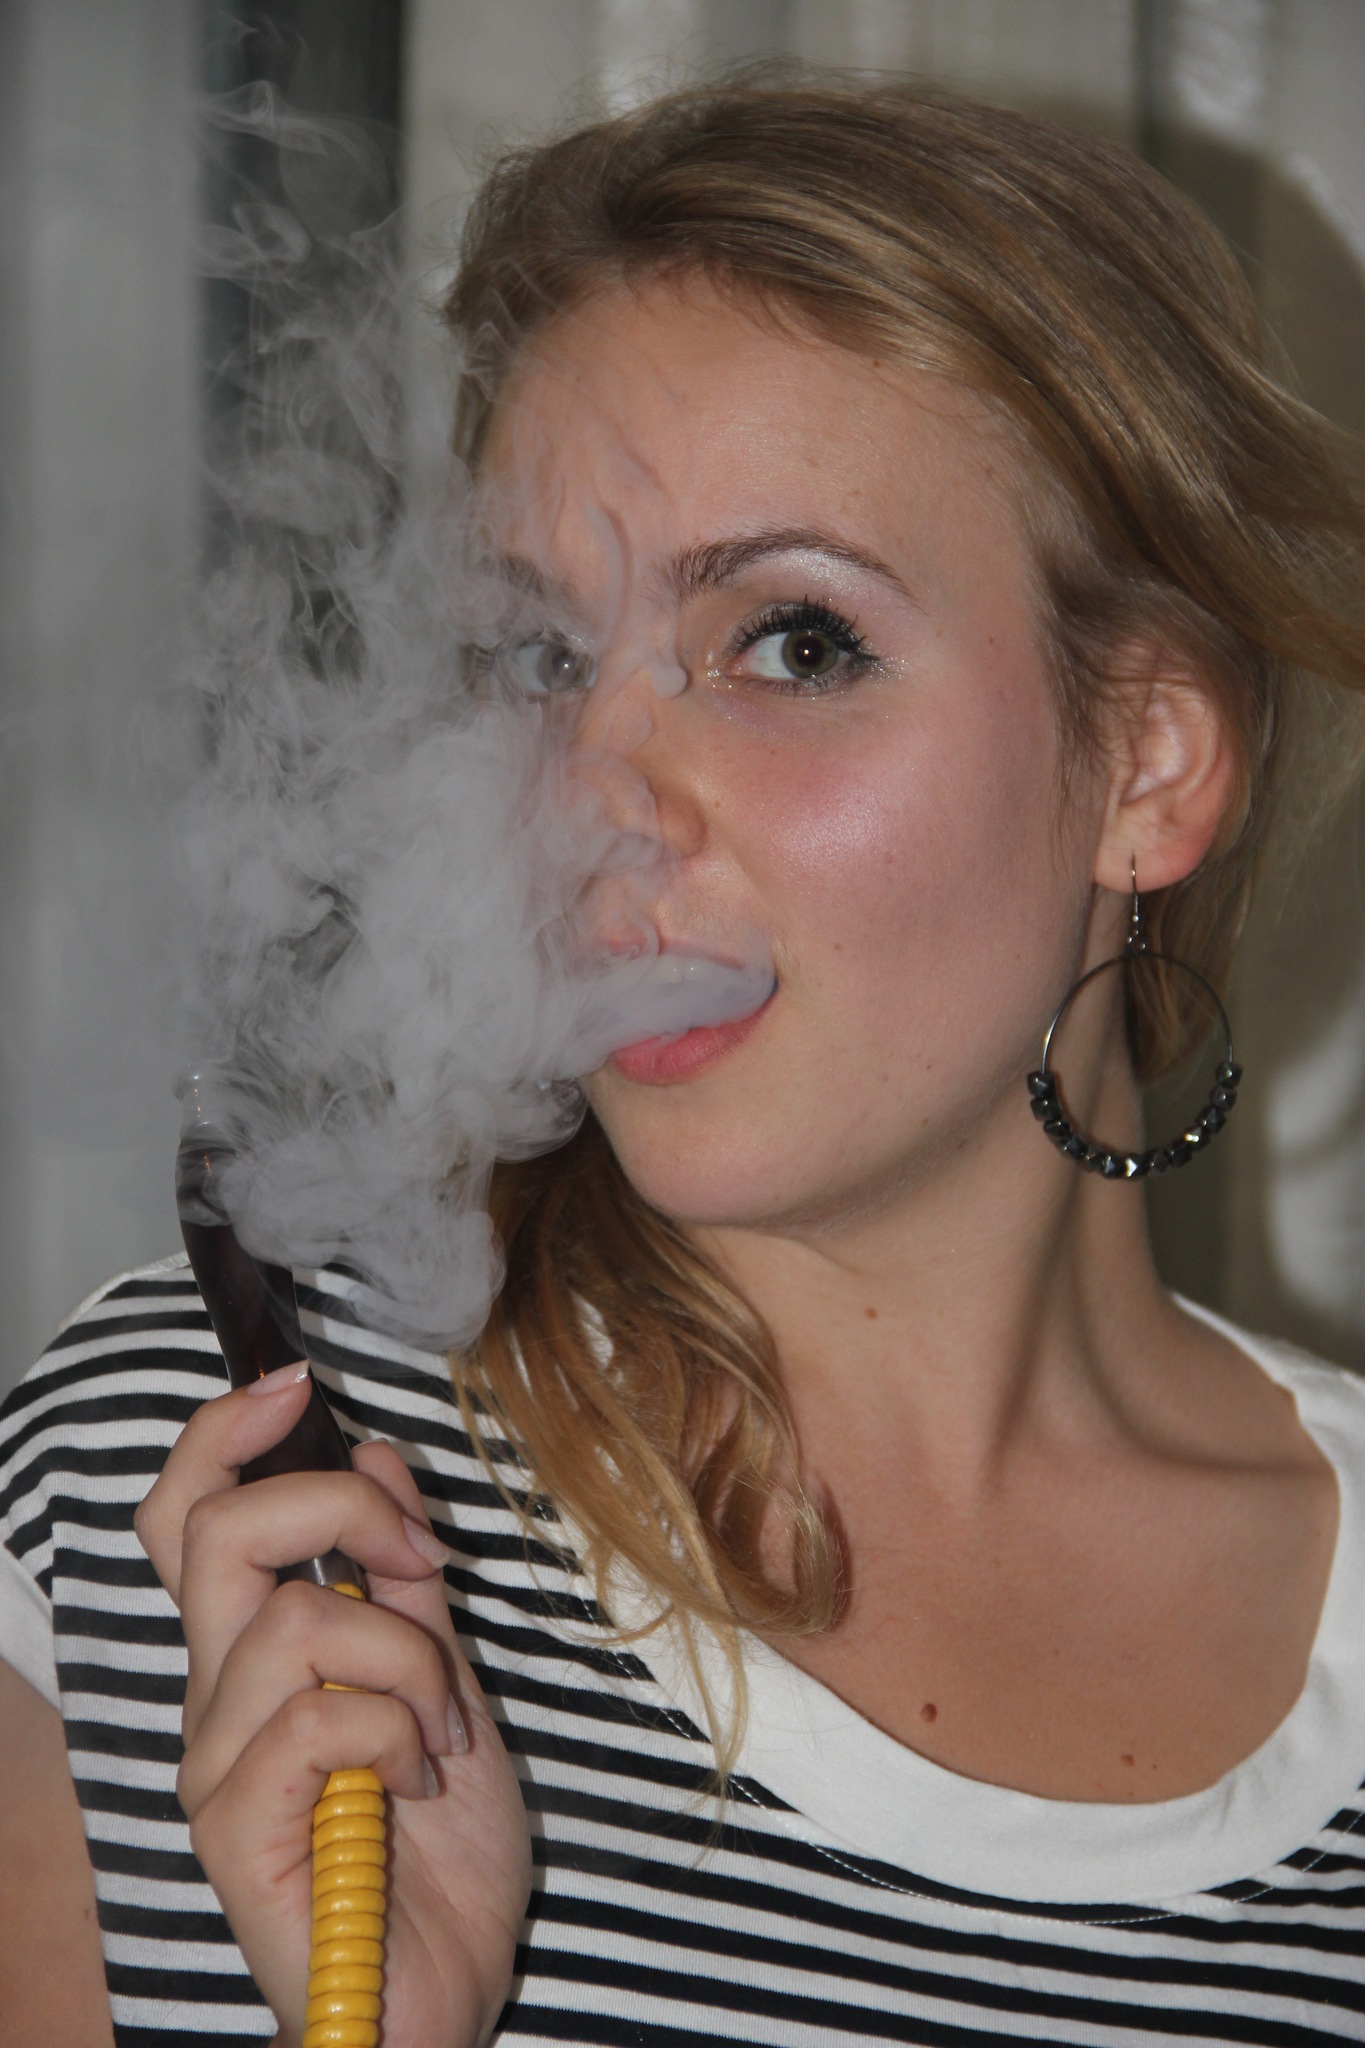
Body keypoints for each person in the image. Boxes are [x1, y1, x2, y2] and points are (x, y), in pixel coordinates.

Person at [3, 76, 1365, 2048]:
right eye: (539, 660)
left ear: (1145, 761)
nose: (587, 805)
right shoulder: (227, 1480)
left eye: (790, 644)